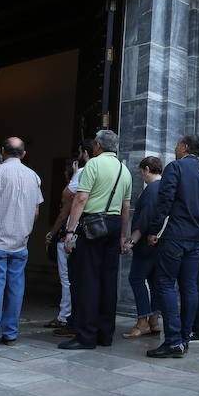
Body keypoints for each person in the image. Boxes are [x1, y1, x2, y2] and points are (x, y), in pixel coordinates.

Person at [60, 129, 132, 350]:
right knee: (108, 281)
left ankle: (86, 335)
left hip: (92, 225)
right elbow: (126, 207)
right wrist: (123, 235)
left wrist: (70, 231)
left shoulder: (93, 164)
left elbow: (81, 198)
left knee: (88, 280)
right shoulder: (125, 170)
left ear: (98, 147)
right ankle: (105, 334)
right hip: (113, 226)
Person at [145, 135, 199, 358]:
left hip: (174, 237)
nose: (175, 148)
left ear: (184, 147)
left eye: (177, 145)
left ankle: (173, 340)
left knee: (165, 284)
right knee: (190, 287)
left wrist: (154, 230)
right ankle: (184, 337)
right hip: (196, 239)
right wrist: (198, 226)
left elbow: (164, 201)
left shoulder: (175, 167)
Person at [0, 138, 44, 348]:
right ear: (23, 154)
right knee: (16, 288)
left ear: (3, 151)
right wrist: (25, 229)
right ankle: (11, 334)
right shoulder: (33, 176)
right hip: (20, 241)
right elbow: (36, 210)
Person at [45, 139, 94, 337]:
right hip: (86, 232)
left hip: (71, 232)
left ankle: (66, 316)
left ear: (84, 153)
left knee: (67, 277)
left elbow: (66, 204)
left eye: (79, 151)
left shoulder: (82, 173)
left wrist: (53, 231)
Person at [122, 156, 163, 339]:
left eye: (141, 171)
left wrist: (131, 242)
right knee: (154, 282)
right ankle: (154, 321)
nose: (141, 176)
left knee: (136, 279)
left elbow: (144, 220)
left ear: (147, 169)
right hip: (160, 244)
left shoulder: (151, 190)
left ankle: (142, 322)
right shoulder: (166, 187)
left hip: (146, 244)